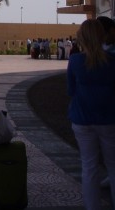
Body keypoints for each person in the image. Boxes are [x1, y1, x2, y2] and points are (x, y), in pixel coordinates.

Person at [67, 19, 115, 209]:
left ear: (82, 38)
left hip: (82, 119)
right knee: (113, 166)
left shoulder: (75, 61)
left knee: (89, 167)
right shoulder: (112, 62)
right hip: (109, 119)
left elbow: (70, 90)